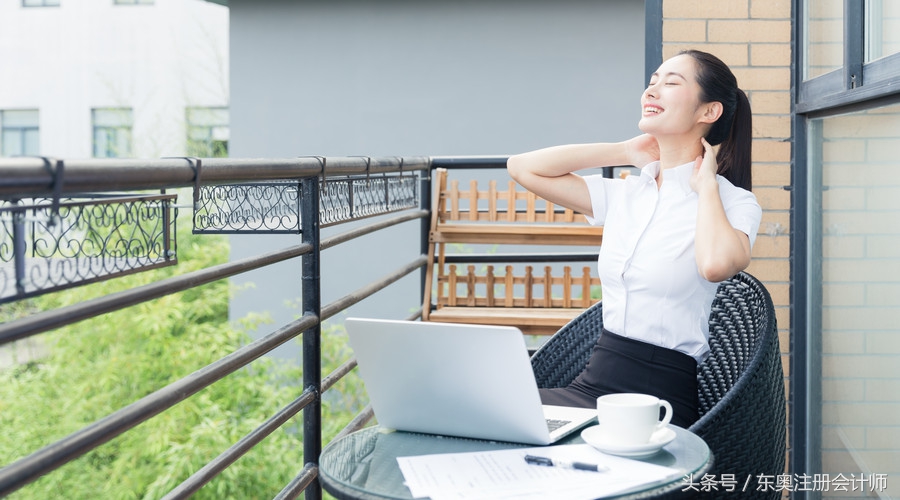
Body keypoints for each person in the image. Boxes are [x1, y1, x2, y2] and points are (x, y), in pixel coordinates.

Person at [506, 50, 762, 428]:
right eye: (652, 82)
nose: (652, 90)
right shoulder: (629, 193)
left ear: (708, 112)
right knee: (478, 413)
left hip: (657, 403)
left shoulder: (733, 202)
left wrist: (706, 184)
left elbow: (715, 265)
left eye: (671, 83)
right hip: (592, 386)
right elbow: (522, 168)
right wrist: (624, 151)